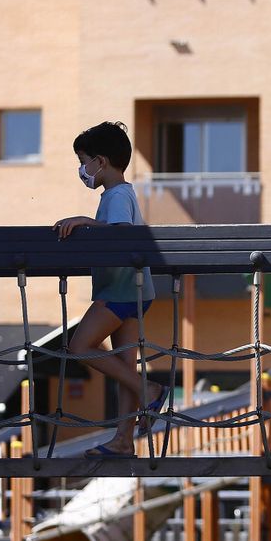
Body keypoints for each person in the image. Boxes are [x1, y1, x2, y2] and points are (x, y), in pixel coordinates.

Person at [54, 121, 163, 457]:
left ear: (100, 161)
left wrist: (86, 223)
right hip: (137, 291)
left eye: (83, 159)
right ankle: (123, 440)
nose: (81, 169)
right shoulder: (122, 194)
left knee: (79, 345)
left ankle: (151, 390)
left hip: (120, 291)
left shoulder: (117, 195)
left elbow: (120, 235)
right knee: (124, 367)